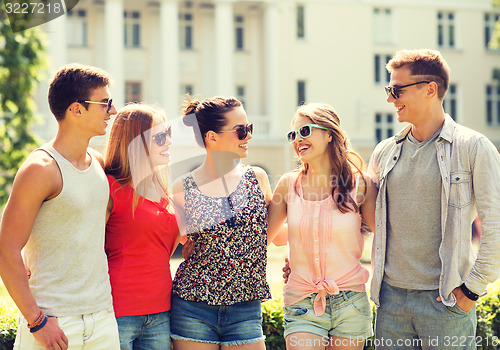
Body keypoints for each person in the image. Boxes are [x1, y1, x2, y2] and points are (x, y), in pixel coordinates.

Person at [368, 49, 500, 349]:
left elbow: (496, 227)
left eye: (397, 90)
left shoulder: (474, 147)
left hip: (446, 303)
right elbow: (362, 220)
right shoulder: (384, 152)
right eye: (389, 89)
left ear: (430, 89)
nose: (390, 98)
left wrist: (471, 292)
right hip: (391, 305)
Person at [0, 63, 120, 349]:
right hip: (53, 321)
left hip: (102, 317)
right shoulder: (40, 168)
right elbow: (6, 249)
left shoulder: (98, 163)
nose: (112, 111)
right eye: (105, 104)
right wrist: (37, 321)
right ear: (76, 109)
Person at [267, 103, 377, 350]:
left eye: (304, 131)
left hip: (351, 302)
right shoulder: (287, 185)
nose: (297, 140)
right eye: (292, 135)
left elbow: (386, 235)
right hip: (302, 300)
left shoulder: (360, 184)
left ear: (329, 134)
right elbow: (269, 237)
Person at [170, 96, 272, 350]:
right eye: (241, 130)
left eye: (249, 129)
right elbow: (171, 245)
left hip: (245, 308)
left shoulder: (257, 178)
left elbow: (277, 235)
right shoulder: (182, 186)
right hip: (193, 306)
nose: (248, 136)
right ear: (212, 137)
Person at [104, 103, 179, 349]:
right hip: (119, 312)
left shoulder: (165, 191)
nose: (168, 141)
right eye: (159, 137)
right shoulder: (110, 188)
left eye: (168, 133)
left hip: (161, 312)